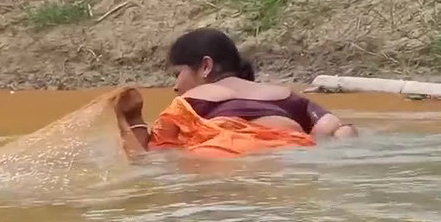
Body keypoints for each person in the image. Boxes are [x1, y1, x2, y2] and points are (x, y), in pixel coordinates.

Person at [120, 28, 359, 158]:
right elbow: (336, 129)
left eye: (177, 74)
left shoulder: (189, 103)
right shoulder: (288, 96)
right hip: (290, 157)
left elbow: (148, 157)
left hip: (229, 162)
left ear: (205, 66)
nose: (175, 86)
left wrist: (132, 117)